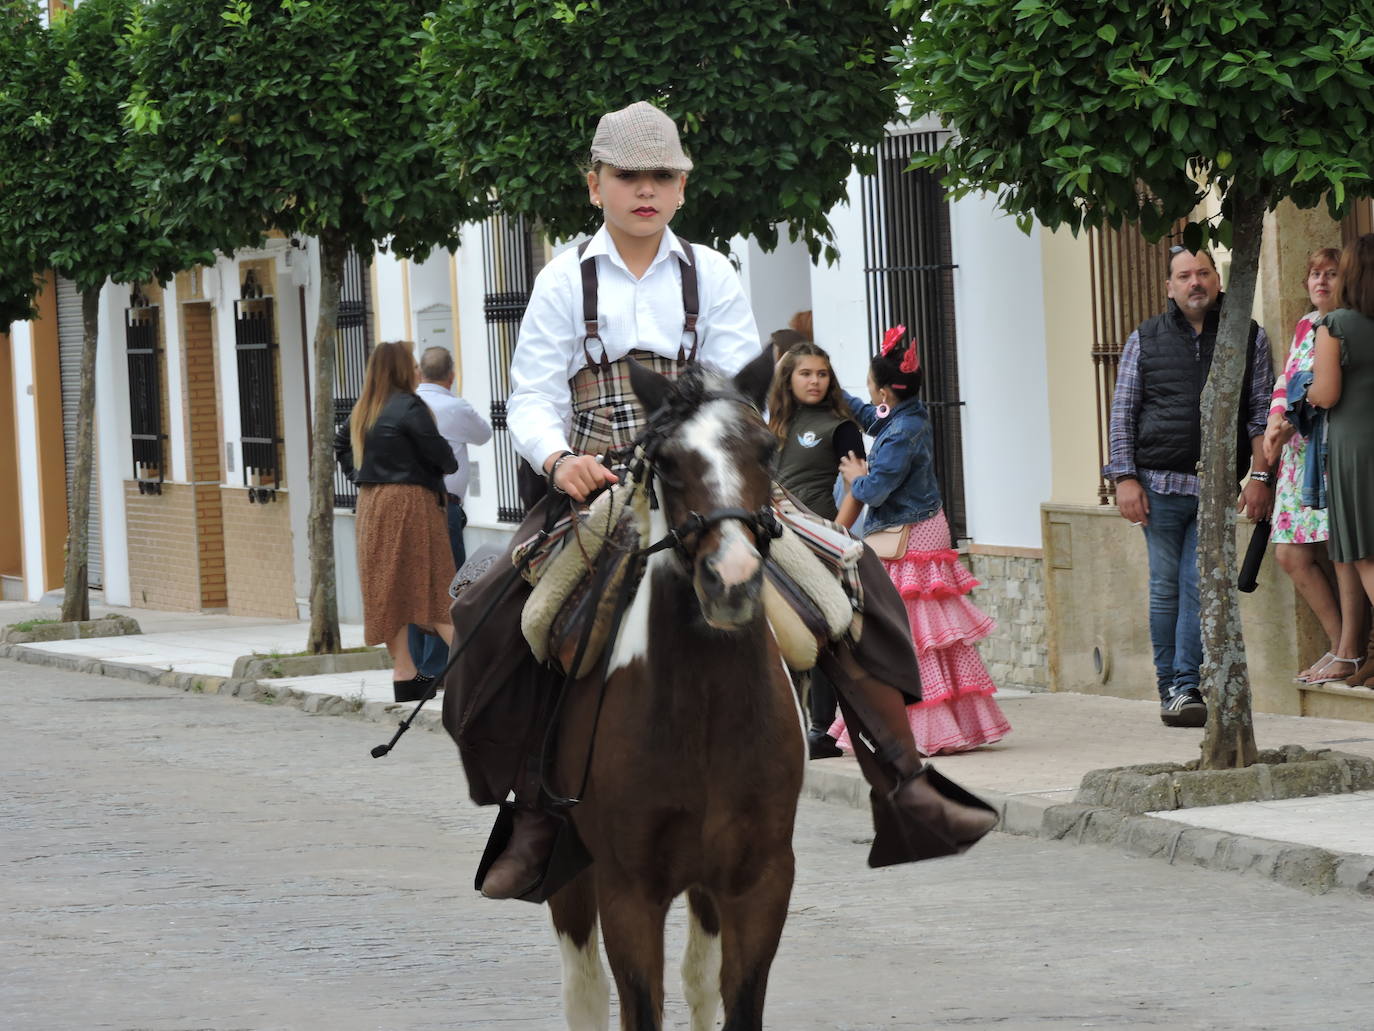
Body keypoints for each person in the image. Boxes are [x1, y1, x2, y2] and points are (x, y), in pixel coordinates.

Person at [443, 101, 996, 902]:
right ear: (595, 185)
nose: (645, 189)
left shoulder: (713, 273)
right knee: (512, 616)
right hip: (599, 481)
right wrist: (559, 460)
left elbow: (743, 385)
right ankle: (536, 809)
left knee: (847, 576)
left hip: (706, 479)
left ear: (682, 186)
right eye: (628, 175)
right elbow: (531, 393)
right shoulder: (564, 279)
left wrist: (720, 456)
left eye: (661, 175)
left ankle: (905, 781)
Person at [1105, 246, 1275, 727]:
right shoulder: (1145, 338)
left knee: (1198, 587)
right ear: (1169, 286)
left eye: (1203, 273)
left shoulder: (1247, 335)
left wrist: (1261, 476)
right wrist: (1124, 477)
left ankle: (1186, 687)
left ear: (1218, 281)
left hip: (1217, 489)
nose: (1195, 282)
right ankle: (1172, 689)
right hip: (1157, 487)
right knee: (1166, 589)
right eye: (1184, 276)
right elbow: (1123, 411)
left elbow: (1261, 411)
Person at [831, 329, 1010, 755]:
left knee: (911, 630)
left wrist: (857, 477)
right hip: (919, 530)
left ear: (884, 392)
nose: (868, 391)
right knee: (925, 633)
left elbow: (877, 491)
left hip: (910, 536)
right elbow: (870, 416)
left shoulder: (901, 432)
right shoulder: (905, 415)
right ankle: (946, 726)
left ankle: (924, 730)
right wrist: (838, 393)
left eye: (869, 384)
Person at [1261, 249, 1367, 684]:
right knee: (1289, 553)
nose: (1321, 281)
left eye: (1331, 273)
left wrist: (1288, 420)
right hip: (1297, 455)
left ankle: (1351, 651)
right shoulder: (1307, 324)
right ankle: (1339, 643)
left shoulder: (1345, 324)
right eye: (1314, 274)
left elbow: (1327, 391)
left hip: (1329, 448)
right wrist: (1275, 418)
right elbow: (1286, 380)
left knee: (1343, 550)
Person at [334, 341, 458, 702]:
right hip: (410, 503)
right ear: (402, 369)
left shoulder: (365, 408)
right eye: (412, 364)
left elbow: (339, 444)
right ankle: (473, 667)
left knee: (388, 588)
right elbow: (445, 458)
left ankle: (405, 672)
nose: (418, 370)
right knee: (434, 584)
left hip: (372, 502)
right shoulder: (409, 406)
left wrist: (361, 475)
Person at [766, 340, 863, 758]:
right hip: (771, 535)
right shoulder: (773, 424)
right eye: (806, 374)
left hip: (816, 538)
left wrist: (836, 535)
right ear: (788, 379)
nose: (815, 381)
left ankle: (821, 730)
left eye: (822, 374)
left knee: (820, 629)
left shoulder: (840, 426)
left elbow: (858, 486)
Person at [1309, 235, 1374, 678]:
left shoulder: (1334, 325)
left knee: (1366, 553)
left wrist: (1308, 392)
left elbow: (1327, 393)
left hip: (1355, 450)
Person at [407, 346, 492, 679]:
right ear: (452, 375)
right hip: (444, 507)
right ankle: (438, 666)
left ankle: (418, 664)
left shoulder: (405, 405)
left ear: (420, 374)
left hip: (410, 505)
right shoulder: (455, 407)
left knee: (416, 582)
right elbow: (484, 434)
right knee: (449, 582)